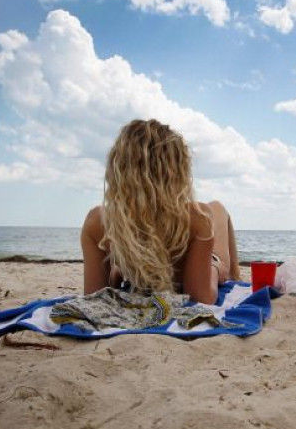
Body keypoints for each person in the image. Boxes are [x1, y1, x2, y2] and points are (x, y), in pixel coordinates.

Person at [81, 119, 240, 304]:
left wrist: (118, 276)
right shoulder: (196, 217)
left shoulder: (97, 222)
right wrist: (214, 267)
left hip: (136, 259)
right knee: (218, 208)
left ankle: (124, 270)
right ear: (177, 172)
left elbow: (94, 298)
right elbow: (201, 299)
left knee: (214, 208)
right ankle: (235, 277)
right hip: (197, 270)